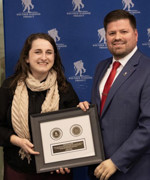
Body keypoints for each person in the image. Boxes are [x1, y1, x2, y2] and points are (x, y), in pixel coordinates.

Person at [78, 9, 150, 180]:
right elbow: (107, 109)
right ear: (106, 37)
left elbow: (148, 126)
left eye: (123, 31)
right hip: (98, 170)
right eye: (112, 33)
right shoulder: (101, 67)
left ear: (136, 34)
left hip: (132, 171)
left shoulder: (147, 70)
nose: (117, 37)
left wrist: (116, 161)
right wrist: (86, 110)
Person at [0, 33, 79, 180]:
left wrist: (68, 158)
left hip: (55, 171)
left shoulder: (65, 89)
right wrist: (16, 140)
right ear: (26, 58)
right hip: (19, 168)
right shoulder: (9, 87)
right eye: (38, 52)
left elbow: (75, 132)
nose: (44, 57)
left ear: (54, 57)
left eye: (49, 52)